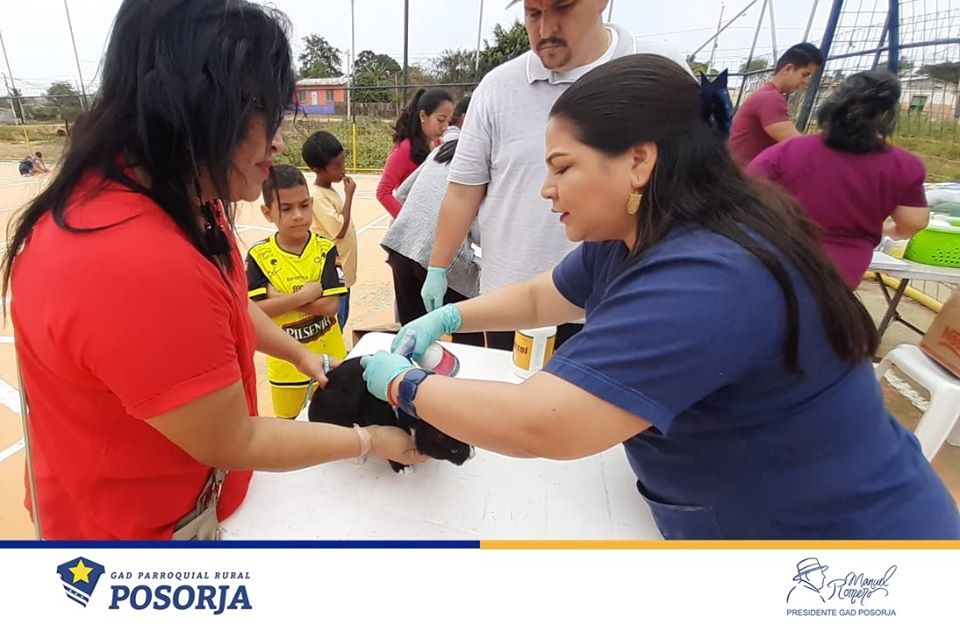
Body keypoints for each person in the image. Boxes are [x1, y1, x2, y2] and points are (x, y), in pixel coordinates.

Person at [360, 54, 960, 539]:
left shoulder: (707, 278)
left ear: (639, 162)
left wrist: (402, 385)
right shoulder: (640, 231)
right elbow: (547, 296)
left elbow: (543, 424)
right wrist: (450, 315)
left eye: (562, 167)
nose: (547, 188)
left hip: (843, 551)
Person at [1, 0, 421, 540]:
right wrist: (371, 440)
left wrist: (301, 354)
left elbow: (230, 306)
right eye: (264, 110)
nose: (279, 141)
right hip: (138, 539)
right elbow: (235, 441)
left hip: (192, 498)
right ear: (194, 106)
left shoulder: (187, 196)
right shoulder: (130, 261)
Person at [422, 0, 689, 351]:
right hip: (513, 302)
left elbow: (691, 184)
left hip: (622, 307)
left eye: (562, 7)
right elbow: (463, 191)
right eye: (533, 13)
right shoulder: (498, 88)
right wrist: (438, 269)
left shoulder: (660, 73)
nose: (545, 29)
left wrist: (409, 381)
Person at [747, 70, 929, 288]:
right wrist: (891, 231)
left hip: (779, 257)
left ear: (833, 105)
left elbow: (743, 198)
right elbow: (914, 222)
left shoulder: (786, 152)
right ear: (888, 114)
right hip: (842, 271)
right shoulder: (903, 165)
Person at [247, 165, 349, 419]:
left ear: (311, 203)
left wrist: (278, 299)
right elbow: (254, 311)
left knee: (335, 426)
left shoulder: (325, 249)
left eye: (304, 206)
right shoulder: (259, 256)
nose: (298, 216)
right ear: (267, 212)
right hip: (286, 370)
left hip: (330, 361)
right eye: (286, 208)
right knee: (292, 430)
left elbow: (330, 306)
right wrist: (303, 296)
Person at [381, 127, 485, 347]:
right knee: (468, 330)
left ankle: (406, 367)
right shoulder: (483, 164)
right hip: (440, 257)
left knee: (411, 332)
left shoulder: (440, 152)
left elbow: (402, 194)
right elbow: (479, 230)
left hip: (401, 245)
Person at [728, 42, 824, 167]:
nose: (806, 81)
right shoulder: (770, 98)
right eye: (805, 74)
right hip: (742, 173)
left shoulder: (765, 93)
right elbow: (797, 144)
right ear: (788, 69)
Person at [302, 131, 358, 329]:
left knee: (343, 315)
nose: (343, 170)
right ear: (318, 170)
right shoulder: (318, 196)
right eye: (336, 166)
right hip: (333, 276)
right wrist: (349, 196)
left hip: (343, 274)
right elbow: (340, 230)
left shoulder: (328, 191)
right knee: (335, 321)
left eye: (343, 162)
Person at [375, 88, 454, 218]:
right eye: (440, 120)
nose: (445, 127)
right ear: (423, 116)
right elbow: (383, 192)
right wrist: (408, 220)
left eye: (448, 121)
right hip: (413, 222)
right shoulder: (405, 149)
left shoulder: (438, 144)